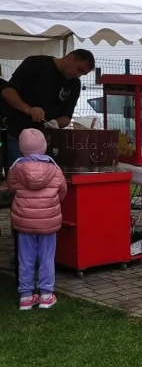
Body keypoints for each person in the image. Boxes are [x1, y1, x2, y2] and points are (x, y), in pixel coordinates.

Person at [7, 128, 67, 310]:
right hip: (48, 220)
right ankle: (46, 295)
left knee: (25, 258)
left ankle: (26, 297)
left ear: (21, 148)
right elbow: (62, 191)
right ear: (44, 146)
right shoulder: (54, 169)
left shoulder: (15, 169)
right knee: (47, 257)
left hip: (24, 221)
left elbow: (12, 190)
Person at [1, 50, 96, 164]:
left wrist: (55, 123)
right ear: (70, 58)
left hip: (47, 143)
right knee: (20, 177)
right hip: (19, 137)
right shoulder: (35, 63)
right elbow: (7, 92)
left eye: (83, 74)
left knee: (44, 178)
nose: (78, 75)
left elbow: (66, 117)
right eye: (79, 69)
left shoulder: (74, 84)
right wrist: (28, 109)